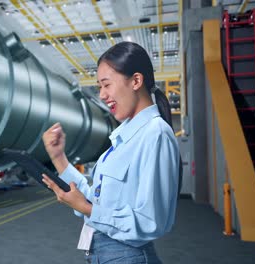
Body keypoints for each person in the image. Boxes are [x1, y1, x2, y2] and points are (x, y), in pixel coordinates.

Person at [42, 41, 180, 264]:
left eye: (106, 85)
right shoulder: (123, 137)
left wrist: (85, 208)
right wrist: (59, 158)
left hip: (126, 256)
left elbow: (151, 221)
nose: (102, 95)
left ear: (136, 81)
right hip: (101, 254)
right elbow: (99, 199)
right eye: (99, 87)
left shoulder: (156, 134)